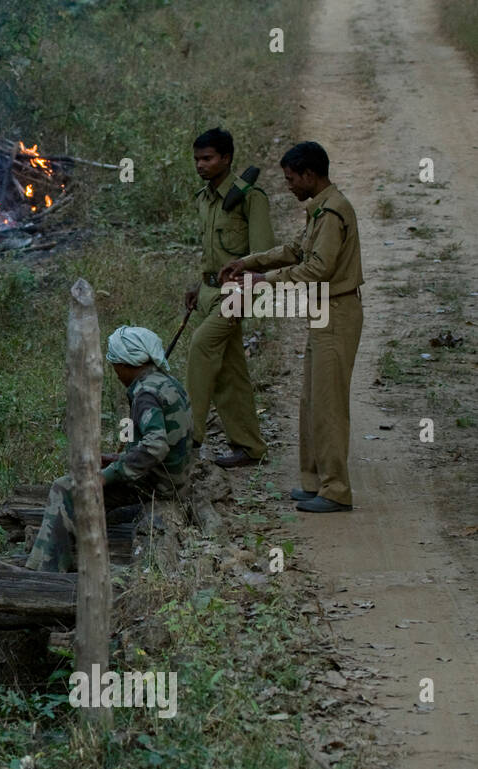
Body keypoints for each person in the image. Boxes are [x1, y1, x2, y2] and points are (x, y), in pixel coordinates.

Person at [220, 141, 363, 513]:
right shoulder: (319, 210)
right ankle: (315, 481)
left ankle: (336, 490)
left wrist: (263, 281)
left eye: (291, 179)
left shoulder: (333, 212)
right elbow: (296, 250)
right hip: (322, 312)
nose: (289, 186)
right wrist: (248, 262)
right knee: (311, 402)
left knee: (329, 405)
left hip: (337, 310)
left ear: (309, 175)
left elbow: (318, 268)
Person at [26, 327, 193, 572]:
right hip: (174, 478)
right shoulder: (167, 382)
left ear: (127, 364)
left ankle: (47, 569)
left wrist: (107, 475)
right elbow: (167, 439)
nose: (114, 371)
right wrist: (118, 459)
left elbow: (156, 446)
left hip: (160, 486)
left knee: (65, 488)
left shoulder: (145, 393)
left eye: (115, 364)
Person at [185, 127, 275, 468]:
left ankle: (187, 436)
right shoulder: (204, 199)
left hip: (237, 293)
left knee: (201, 346)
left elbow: (265, 255)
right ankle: (250, 446)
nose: (200, 165)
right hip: (209, 292)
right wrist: (198, 285)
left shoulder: (251, 197)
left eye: (207, 159)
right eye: (196, 159)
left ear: (226, 158)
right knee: (229, 372)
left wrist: (246, 292)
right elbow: (211, 253)